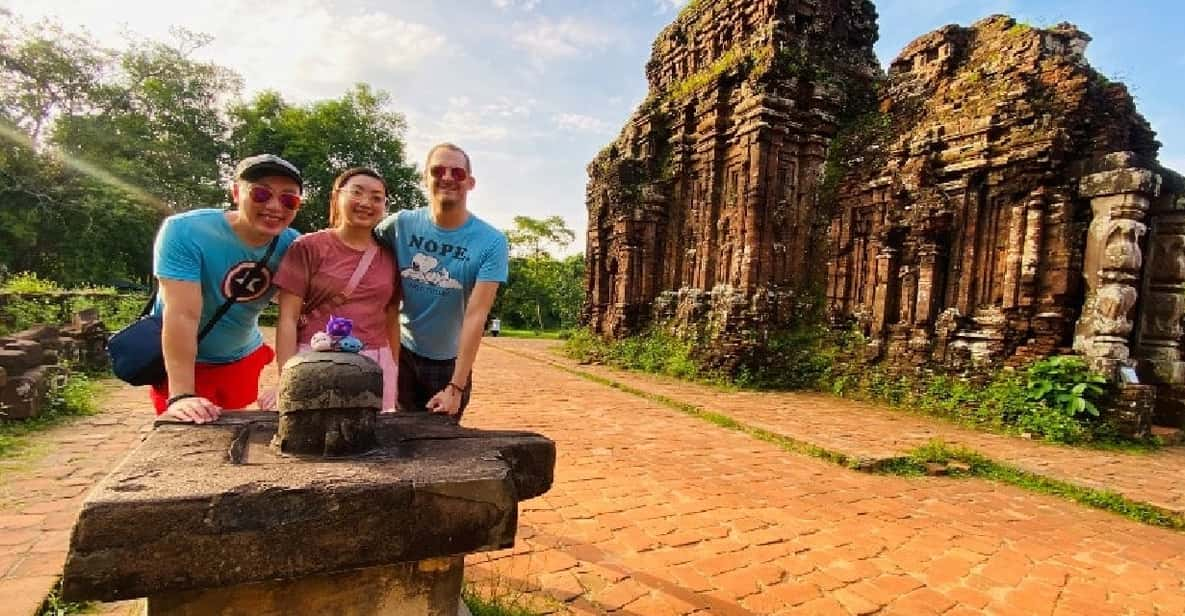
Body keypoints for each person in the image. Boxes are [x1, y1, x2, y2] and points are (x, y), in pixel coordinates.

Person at [151, 154, 303, 423]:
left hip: (240, 358)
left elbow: (297, 316)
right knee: (187, 429)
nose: (274, 206)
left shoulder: (294, 246)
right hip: (184, 360)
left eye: (288, 199)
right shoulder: (185, 231)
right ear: (235, 192)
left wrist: (287, 383)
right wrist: (182, 395)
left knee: (232, 432)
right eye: (261, 193)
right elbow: (182, 314)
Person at [374, 143, 508, 421]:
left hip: (450, 361)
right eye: (438, 170)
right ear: (425, 177)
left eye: (457, 172)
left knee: (440, 443)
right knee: (395, 436)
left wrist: (456, 387)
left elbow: (477, 314)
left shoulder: (491, 241)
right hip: (403, 351)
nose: (447, 177)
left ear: (470, 183)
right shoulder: (399, 225)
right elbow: (358, 248)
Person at [269, 168, 401, 410]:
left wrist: (393, 369)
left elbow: (391, 316)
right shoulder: (308, 247)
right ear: (336, 198)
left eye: (376, 197)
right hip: (316, 358)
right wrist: (287, 376)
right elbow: (287, 318)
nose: (365, 203)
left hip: (376, 361)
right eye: (356, 193)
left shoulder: (391, 256)